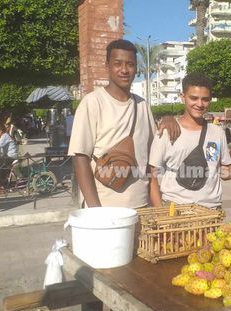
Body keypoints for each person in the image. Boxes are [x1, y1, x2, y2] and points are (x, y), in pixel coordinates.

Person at [68, 38, 180, 209]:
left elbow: (153, 153)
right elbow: (80, 157)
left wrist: (169, 119)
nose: (124, 70)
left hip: (142, 205)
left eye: (130, 64)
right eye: (117, 64)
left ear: (136, 68)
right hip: (106, 207)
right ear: (107, 66)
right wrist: (95, 210)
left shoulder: (142, 105)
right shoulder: (93, 102)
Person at [148, 73, 231, 208]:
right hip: (175, 210)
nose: (199, 104)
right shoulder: (166, 132)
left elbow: (224, 174)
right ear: (183, 97)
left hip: (212, 211)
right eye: (193, 98)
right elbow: (151, 177)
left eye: (205, 99)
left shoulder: (218, 133)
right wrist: (161, 214)